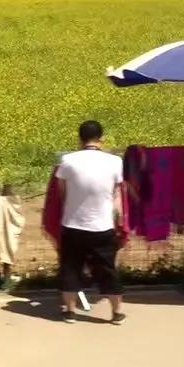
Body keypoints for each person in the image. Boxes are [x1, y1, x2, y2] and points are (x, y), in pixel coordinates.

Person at [52, 120, 125, 325]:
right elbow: (116, 193)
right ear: (101, 139)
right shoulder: (115, 161)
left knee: (70, 268)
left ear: (80, 139)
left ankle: (70, 312)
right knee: (108, 270)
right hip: (102, 226)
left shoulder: (67, 160)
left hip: (72, 225)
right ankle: (116, 313)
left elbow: (62, 192)